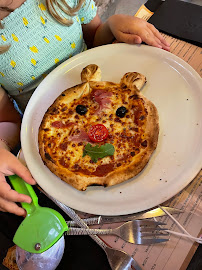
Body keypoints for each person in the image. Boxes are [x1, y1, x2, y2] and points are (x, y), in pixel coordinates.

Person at [0, 0, 170, 216]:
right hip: (55, 143)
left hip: (114, 104)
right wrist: (1, 148)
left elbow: (94, 39)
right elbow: (8, 121)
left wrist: (109, 27)